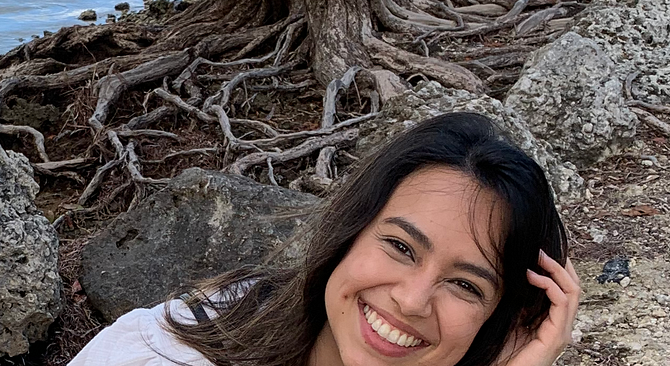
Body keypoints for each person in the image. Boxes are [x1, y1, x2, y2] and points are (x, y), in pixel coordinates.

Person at [68, 112, 581, 366]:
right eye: (401, 247)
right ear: (349, 232)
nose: (412, 299)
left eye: (467, 286)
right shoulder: (161, 356)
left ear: (496, 321)